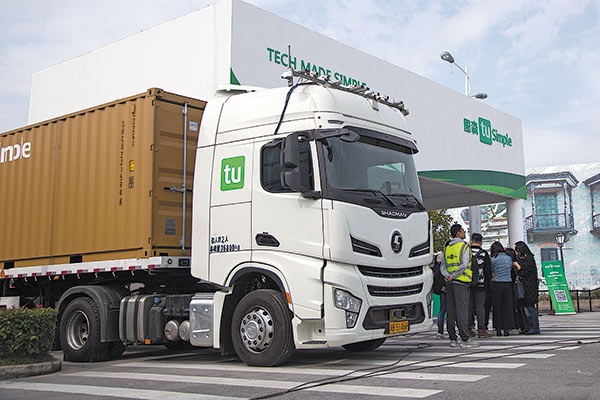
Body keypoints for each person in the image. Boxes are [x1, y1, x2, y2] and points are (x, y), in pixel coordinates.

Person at [440, 224, 479, 348]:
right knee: (462, 311)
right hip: (461, 282)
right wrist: (455, 275)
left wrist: (448, 276)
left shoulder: (447, 248)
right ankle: (464, 339)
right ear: (458, 233)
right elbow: (464, 264)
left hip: (449, 283)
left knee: (450, 311)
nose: (464, 232)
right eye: (462, 230)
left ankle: (453, 338)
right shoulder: (464, 246)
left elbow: (443, 266)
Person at [468, 233, 492, 338]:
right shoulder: (484, 254)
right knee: (480, 307)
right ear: (481, 242)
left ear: (471, 241)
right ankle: (481, 329)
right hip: (481, 284)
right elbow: (488, 271)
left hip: (467, 283)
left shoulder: (466, 252)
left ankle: (469, 328)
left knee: (469, 307)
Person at [515, 241, 541, 334]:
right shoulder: (523, 259)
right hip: (525, 287)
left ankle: (534, 327)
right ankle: (527, 327)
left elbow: (524, 271)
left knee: (529, 308)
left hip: (529, 287)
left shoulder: (529, 259)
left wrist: (518, 266)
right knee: (523, 308)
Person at [490, 242, 515, 336]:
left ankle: (498, 328)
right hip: (507, 283)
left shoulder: (493, 259)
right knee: (507, 307)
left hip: (496, 283)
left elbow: (492, 270)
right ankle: (506, 328)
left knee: (497, 307)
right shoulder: (509, 258)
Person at [431, 252, 446, 339]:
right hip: (447, 286)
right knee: (451, 310)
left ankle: (440, 332)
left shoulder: (437, 258)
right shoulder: (447, 258)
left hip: (439, 287)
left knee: (442, 310)